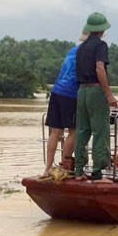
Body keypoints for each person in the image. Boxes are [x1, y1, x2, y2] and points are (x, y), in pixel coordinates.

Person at [74, 13, 118, 181]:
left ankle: (79, 171)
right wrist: (109, 94)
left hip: (82, 91)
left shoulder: (81, 47)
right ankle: (98, 172)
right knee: (100, 131)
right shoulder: (101, 46)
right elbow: (100, 68)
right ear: (102, 29)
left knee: (82, 130)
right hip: (95, 91)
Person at [41, 35, 83, 178]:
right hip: (71, 94)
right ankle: (64, 167)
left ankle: (47, 168)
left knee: (55, 132)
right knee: (74, 130)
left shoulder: (72, 51)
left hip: (57, 91)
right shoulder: (86, 54)